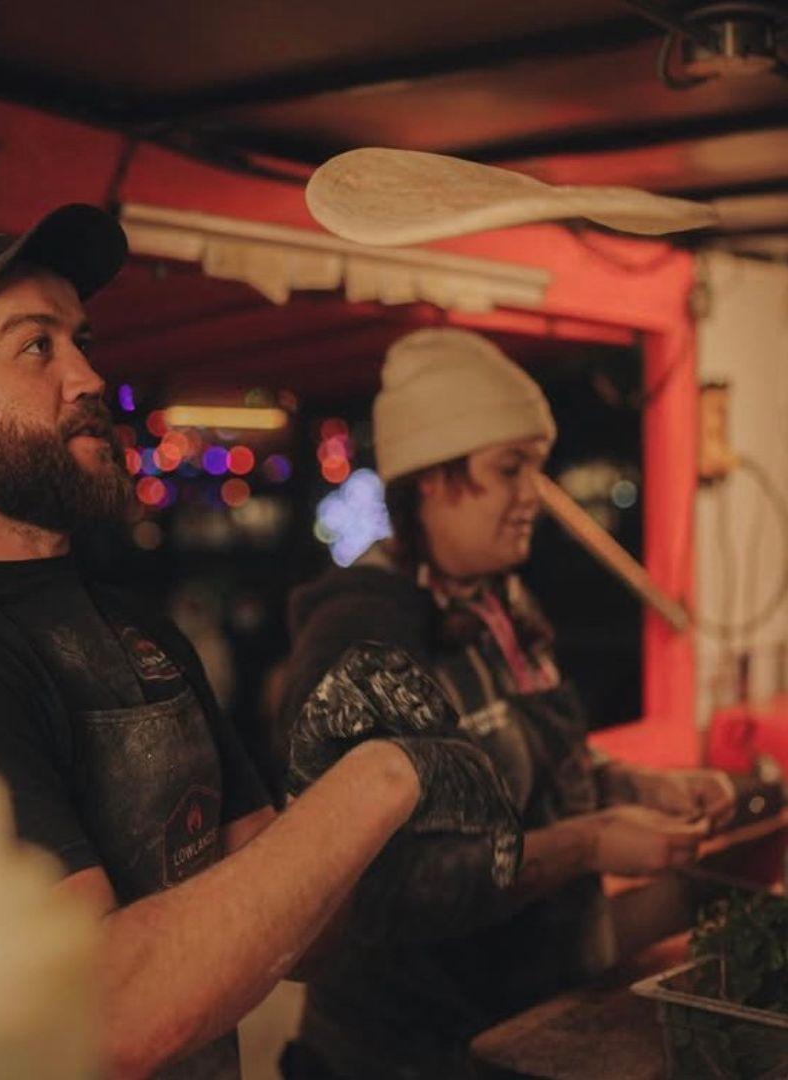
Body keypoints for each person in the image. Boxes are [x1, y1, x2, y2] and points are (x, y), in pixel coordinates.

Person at [0, 208, 521, 1080]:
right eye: (36, 348)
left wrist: (330, 786)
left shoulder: (138, 631)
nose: (90, 375)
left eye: (81, 341)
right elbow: (102, 1011)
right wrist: (381, 778)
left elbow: (300, 938)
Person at [278, 328, 736, 1079]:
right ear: (431, 478)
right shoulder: (362, 640)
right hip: (404, 1056)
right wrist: (586, 844)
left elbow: (543, 752)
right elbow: (384, 889)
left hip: (523, 1021)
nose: (535, 496)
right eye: (510, 469)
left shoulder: (498, 602)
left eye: (538, 467)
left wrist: (634, 784)